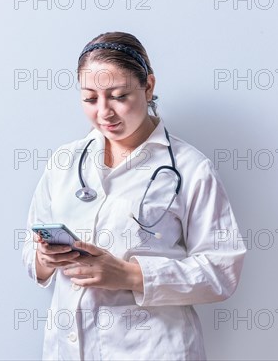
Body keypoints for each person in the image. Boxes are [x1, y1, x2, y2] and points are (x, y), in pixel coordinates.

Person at [22, 31, 247, 360]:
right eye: (90, 98)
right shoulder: (64, 161)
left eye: (118, 95)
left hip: (154, 349)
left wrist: (129, 275)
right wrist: (43, 260)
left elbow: (222, 270)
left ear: (148, 86)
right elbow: (31, 250)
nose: (104, 112)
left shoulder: (190, 168)